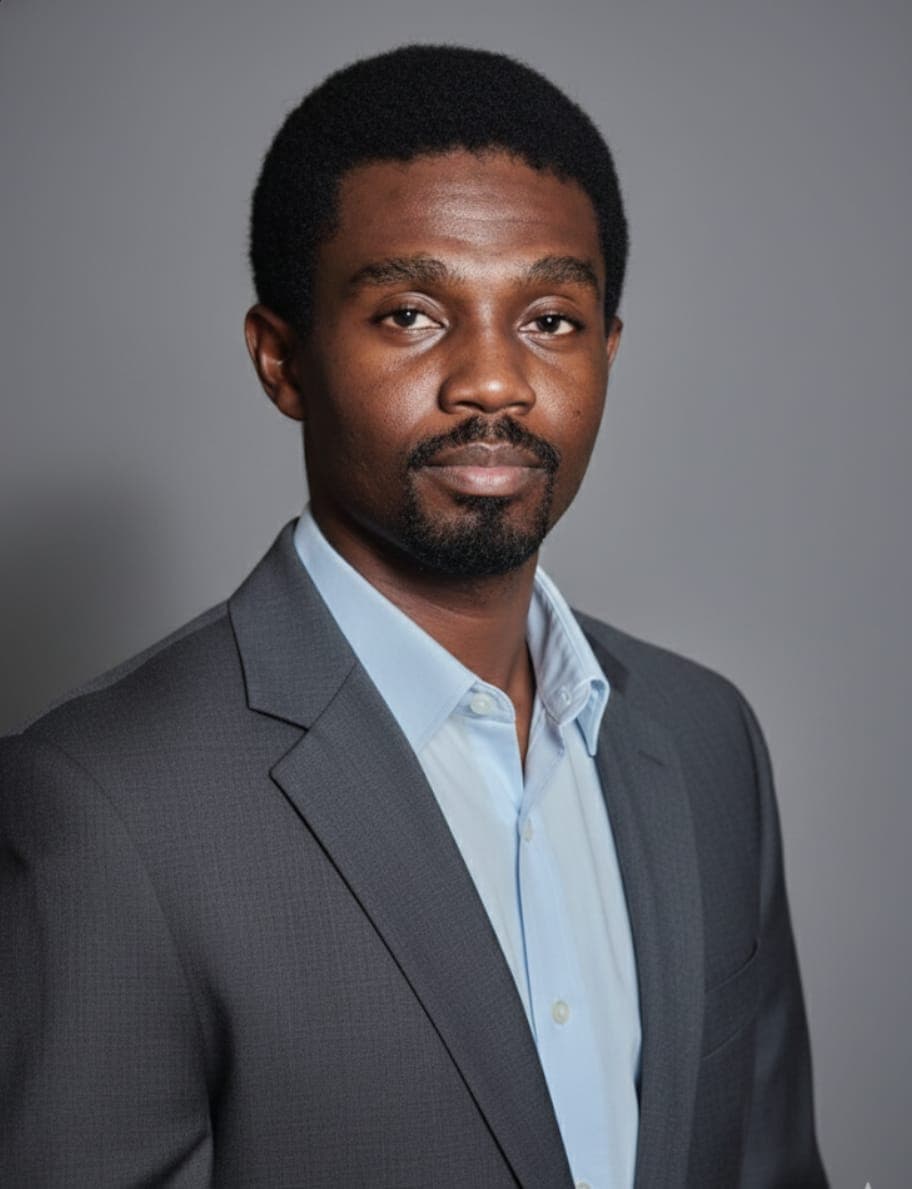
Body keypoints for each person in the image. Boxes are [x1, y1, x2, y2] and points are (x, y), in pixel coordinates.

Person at [0, 44, 827, 1188]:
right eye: (411, 314)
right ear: (282, 360)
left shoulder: (707, 739)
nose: (494, 380)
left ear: (608, 350)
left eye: (550, 319)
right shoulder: (100, 808)